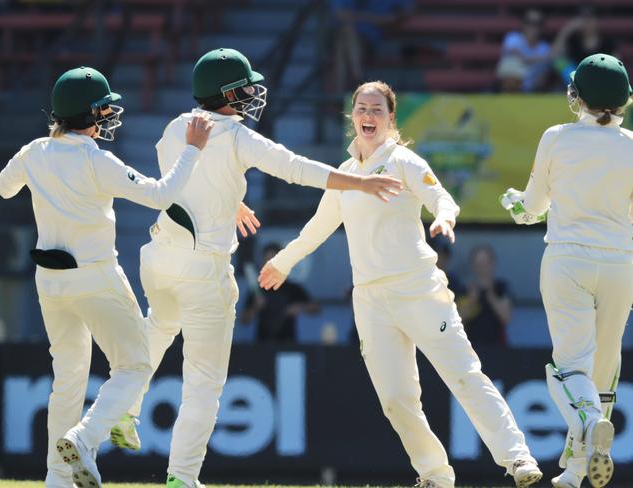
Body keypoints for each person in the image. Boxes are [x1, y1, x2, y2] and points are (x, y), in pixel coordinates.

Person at [110, 49, 402, 488]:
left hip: (158, 259)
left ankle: (125, 409)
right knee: (204, 381)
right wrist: (359, 181)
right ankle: (181, 476)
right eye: (244, 87)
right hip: (204, 267)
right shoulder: (238, 136)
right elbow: (296, 169)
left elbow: (178, 177)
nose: (252, 94)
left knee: (158, 327)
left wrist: (229, 198)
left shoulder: (177, 127)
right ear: (226, 92)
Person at [259, 80, 542, 488]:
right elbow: (316, 229)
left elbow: (441, 197)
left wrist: (443, 218)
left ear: (391, 118)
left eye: (377, 109)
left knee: (464, 374)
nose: (368, 116)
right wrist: (282, 263)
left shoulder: (404, 161)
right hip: (371, 301)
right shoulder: (346, 175)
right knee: (395, 399)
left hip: (419, 289)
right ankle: (435, 474)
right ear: (351, 116)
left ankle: (518, 459)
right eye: (361, 108)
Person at [0, 66, 213, 488]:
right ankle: (85, 437)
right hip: (95, 276)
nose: (107, 119)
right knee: (135, 365)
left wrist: (38, 170)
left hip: (50, 281)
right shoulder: (97, 160)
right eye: (102, 111)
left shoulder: (34, 151)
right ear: (88, 114)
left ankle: (57, 479)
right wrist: (193, 150)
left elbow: (4, 187)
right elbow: (161, 195)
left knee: (68, 379)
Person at [500, 53, 633, 488]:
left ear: (578, 95)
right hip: (621, 263)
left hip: (568, 260)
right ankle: (576, 473)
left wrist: (513, 202)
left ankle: (592, 420)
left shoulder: (556, 137)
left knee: (568, 368)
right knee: (605, 364)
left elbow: (532, 208)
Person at [240, 242, 320, 342]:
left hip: (288, 344)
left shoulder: (293, 288)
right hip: (262, 345)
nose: (271, 265)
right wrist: (256, 307)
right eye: (267, 261)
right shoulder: (257, 290)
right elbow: (244, 320)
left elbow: (316, 308)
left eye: (274, 261)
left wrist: (299, 307)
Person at [457, 244, 512, 346]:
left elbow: (506, 318)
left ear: (492, 264)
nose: (482, 268)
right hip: (471, 347)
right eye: (479, 264)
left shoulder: (501, 287)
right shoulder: (465, 289)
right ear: (473, 266)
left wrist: (490, 294)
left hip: (498, 347)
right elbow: (458, 320)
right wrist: (471, 299)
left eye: (485, 263)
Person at [552, 7, 617, 85]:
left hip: (599, 79)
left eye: (589, 19)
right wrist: (567, 30)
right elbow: (554, 55)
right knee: (559, 62)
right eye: (583, 20)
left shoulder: (607, 42)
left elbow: (616, 64)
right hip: (576, 77)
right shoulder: (573, 41)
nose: (587, 23)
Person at [498, 9, 552, 92]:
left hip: (534, 90)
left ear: (542, 27)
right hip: (511, 89)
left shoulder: (544, 48)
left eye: (537, 23)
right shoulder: (513, 38)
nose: (533, 27)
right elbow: (513, 54)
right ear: (523, 24)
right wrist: (539, 59)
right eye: (529, 22)